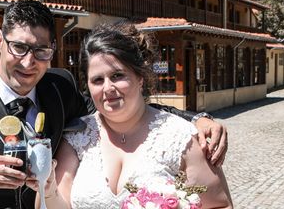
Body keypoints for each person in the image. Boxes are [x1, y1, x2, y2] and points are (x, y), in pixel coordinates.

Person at [0, 0, 228, 209]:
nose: (29, 62)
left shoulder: (59, 87)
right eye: (18, 48)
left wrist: (194, 119)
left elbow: (119, 107)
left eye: (41, 51)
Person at [33, 24, 232, 209]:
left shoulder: (181, 138)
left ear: (140, 78)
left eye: (118, 76)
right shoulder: (77, 137)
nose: (108, 88)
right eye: (97, 80)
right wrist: (48, 191)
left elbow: (220, 205)